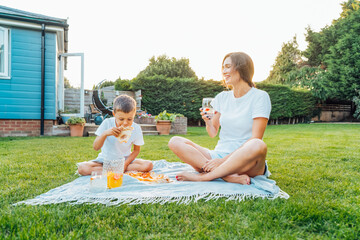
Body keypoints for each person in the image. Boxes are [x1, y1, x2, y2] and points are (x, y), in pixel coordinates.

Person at [168, 52, 271, 184]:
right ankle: (227, 176)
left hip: (247, 160)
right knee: (175, 141)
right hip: (218, 155)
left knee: (258, 144)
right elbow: (213, 132)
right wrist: (207, 122)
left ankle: (204, 176)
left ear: (242, 67)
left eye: (228, 66)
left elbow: (256, 137)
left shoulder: (260, 97)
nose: (224, 71)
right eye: (223, 67)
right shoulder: (222, 98)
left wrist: (222, 162)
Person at [77, 95, 153, 176]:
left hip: (125, 160)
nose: (125, 123)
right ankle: (119, 171)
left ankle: (112, 171)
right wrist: (105, 133)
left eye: (129, 119)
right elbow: (96, 147)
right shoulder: (107, 123)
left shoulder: (136, 128)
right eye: (121, 119)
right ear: (114, 114)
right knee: (83, 168)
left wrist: (125, 164)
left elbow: (136, 150)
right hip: (105, 160)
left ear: (134, 115)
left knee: (148, 165)